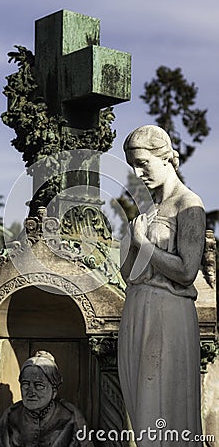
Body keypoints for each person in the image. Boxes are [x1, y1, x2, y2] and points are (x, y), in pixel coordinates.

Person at [118, 125, 205, 446]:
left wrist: (142, 242)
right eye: (133, 167)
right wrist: (130, 243)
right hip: (137, 308)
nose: (139, 173)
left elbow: (186, 271)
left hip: (168, 312)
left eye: (143, 163)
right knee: (140, 407)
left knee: (163, 406)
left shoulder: (189, 204)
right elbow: (128, 274)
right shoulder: (148, 210)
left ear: (166, 157)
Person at [0, 350, 94, 446]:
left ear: (54, 391)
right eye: (25, 384)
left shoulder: (70, 418)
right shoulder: (11, 415)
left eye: (39, 385)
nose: (31, 392)